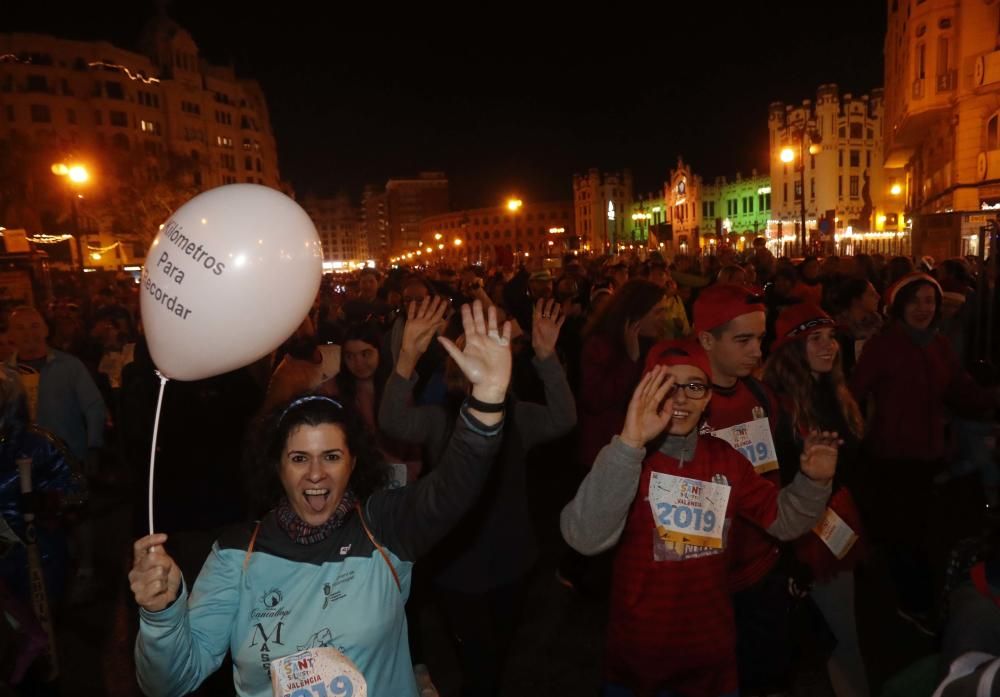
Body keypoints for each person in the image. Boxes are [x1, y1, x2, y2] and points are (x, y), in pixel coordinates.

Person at [129, 300, 513, 697]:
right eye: (299, 458)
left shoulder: (383, 528)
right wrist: (161, 615)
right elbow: (170, 683)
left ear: (353, 464)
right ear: (277, 467)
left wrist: (486, 400)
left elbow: (452, 489)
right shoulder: (235, 554)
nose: (316, 473)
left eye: (331, 456)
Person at [560, 340, 836, 697]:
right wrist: (629, 444)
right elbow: (583, 536)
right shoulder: (625, 459)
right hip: (639, 655)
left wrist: (814, 482)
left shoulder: (726, 460)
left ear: (708, 398)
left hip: (711, 653)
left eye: (694, 386)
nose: (681, 399)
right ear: (645, 391)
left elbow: (782, 519)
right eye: (666, 385)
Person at [379, 296, 576, 696]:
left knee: (500, 650)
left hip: (512, 557)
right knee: (477, 658)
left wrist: (546, 357)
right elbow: (393, 420)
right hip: (457, 563)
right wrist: (406, 359)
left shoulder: (517, 416)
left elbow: (563, 418)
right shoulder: (441, 420)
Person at [851, 272, 1000, 635]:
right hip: (892, 456)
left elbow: (961, 391)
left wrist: (994, 397)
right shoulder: (884, 346)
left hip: (931, 455)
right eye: (915, 300)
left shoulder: (939, 346)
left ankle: (920, 598)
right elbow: (854, 391)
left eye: (929, 301)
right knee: (905, 534)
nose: (923, 308)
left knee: (924, 534)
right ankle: (912, 604)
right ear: (900, 306)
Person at [764, 304, 871, 697]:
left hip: (835, 524)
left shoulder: (835, 390)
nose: (829, 347)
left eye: (830, 338)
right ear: (792, 349)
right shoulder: (778, 406)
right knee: (820, 634)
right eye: (815, 339)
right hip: (798, 532)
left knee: (839, 631)